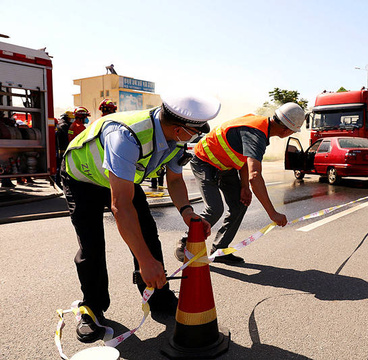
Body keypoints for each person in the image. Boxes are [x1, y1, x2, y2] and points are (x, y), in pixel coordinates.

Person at [60, 94, 217, 343]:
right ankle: (92, 307)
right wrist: (145, 261)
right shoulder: (125, 135)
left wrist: (187, 212)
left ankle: (158, 297)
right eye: (196, 133)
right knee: (92, 245)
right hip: (83, 179)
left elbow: (174, 180)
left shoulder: (176, 139)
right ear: (178, 128)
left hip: (122, 179)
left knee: (148, 236)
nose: (197, 138)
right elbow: (120, 206)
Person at [175, 103, 305, 264]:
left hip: (226, 166)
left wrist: (244, 187)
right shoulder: (256, 134)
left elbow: (244, 160)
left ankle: (220, 250)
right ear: (287, 130)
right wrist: (272, 213)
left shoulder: (261, 126)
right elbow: (255, 175)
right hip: (204, 160)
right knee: (215, 208)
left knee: (239, 204)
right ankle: (184, 243)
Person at [55, 112, 73, 187]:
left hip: (59, 149)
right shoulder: (65, 126)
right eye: (70, 118)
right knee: (62, 167)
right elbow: (67, 138)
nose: (71, 120)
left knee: (59, 166)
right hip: (64, 149)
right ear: (67, 118)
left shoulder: (59, 125)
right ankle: (59, 182)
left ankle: (57, 181)